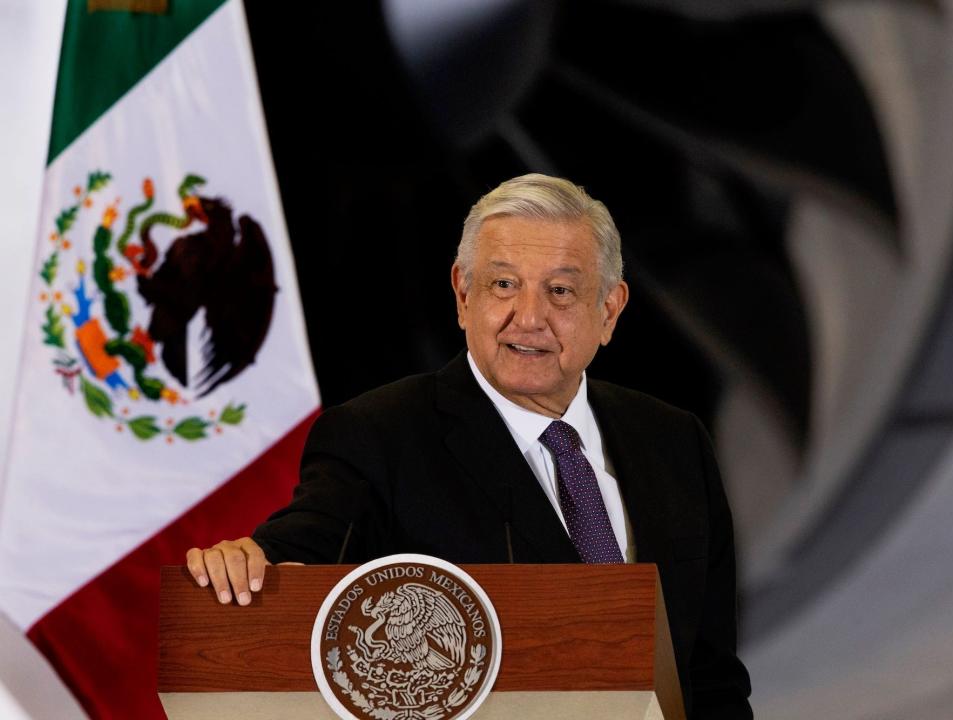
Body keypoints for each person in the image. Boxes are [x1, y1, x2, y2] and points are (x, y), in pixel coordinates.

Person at [186, 173, 752, 718]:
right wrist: (248, 560)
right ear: (463, 295)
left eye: (560, 291)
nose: (528, 318)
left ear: (608, 310)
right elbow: (304, 548)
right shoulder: (381, 435)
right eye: (503, 284)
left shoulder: (675, 442)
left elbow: (711, 677)